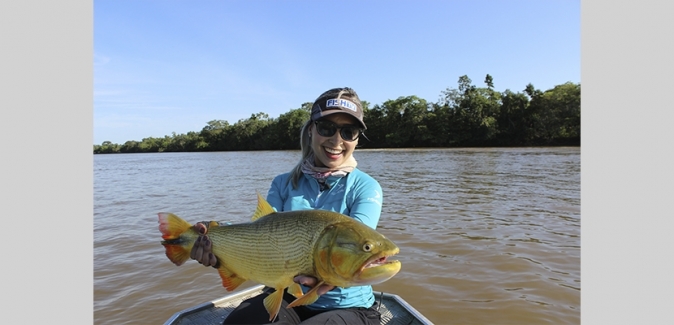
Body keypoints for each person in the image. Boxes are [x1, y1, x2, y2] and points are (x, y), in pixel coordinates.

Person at [190, 87, 384, 325]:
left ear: (356, 138)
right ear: (311, 130)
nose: (336, 140)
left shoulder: (366, 187)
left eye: (348, 131)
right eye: (326, 128)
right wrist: (214, 235)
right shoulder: (283, 183)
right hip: (283, 294)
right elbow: (259, 233)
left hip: (349, 305)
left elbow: (357, 247)